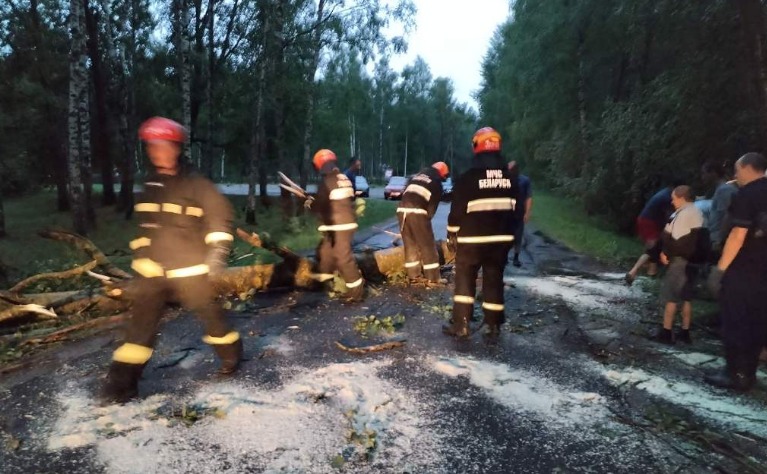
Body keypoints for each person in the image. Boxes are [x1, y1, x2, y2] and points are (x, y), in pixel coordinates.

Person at [101, 117, 241, 404]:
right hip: (153, 271)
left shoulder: (197, 184)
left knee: (212, 318)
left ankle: (231, 356)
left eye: (163, 146)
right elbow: (145, 228)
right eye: (152, 146)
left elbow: (220, 218)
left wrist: (217, 252)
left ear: (176, 148)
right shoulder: (150, 184)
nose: (157, 152)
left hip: (191, 268)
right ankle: (120, 387)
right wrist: (141, 257)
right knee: (138, 331)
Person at [444, 127, 520, 339]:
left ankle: (462, 325)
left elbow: (456, 210)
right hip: (501, 240)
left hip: (473, 240)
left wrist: (452, 234)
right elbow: (517, 211)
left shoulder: (468, 177)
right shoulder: (511, 178)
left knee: (465, 279)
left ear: (476, 146)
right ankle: (493, 325)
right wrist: (513, 238)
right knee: (494, 279)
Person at [706, 153, 767, 391]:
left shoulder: (748, 193)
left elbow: (737, 235)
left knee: (735, 321)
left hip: (743, 270)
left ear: (748, 168)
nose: (735, 175)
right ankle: (748, 374)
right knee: (758, 322)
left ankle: (734, 374)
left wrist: (720, 270)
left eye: (737, 170)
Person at [308, 149, 365, 302]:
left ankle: (356, 291)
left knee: (342, 257)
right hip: (339, 223)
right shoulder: (342, 177)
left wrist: (309, 204)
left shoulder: (327, 181)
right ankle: (322, 281)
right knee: (325, 252)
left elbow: (320, 205)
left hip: (340, 225)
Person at [656, 186, 706, 344]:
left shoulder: (683, 214)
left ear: (682, 197)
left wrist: (666, 253)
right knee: (686, 297)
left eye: (674, 198)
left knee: (671, 296)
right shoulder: (697, 211)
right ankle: (685, 332)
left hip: (680, 261)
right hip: (694, 261)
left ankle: (666, 332)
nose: (672, 201)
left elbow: (676, 240)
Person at [396, 161, 449, 286]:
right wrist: (426, 222)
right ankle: (434, 278)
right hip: (417, 211)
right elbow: (432, 206)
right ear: (441, 174)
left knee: (410, 245)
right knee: (427, 245)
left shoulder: (416, 176)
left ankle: (414, 276)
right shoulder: (436, 182)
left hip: (401, 210)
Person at [625, 184, 676, 285]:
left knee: (654, 247)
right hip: (649, 222)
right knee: (653, 248)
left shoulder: (664, 192)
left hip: (646, 220)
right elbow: (668, 216)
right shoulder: (668, 197)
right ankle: (634, 272)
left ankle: (651, 273)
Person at [701, 161, 738, 258]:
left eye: (704, 173)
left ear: (713, 173)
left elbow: (727, 215)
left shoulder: (724, 190)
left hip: (723, 240)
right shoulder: (720, 190)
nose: (702, 177)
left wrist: (719, 240)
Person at [507, 161, 533, 267]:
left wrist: (527, 212)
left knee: (518, 235)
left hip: (519, 212)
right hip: (507, 212)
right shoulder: (505, 180)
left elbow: (528, 197)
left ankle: (516, 258)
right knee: (507, 236)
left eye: (511, 169)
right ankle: (504, 257)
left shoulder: (524, 181)